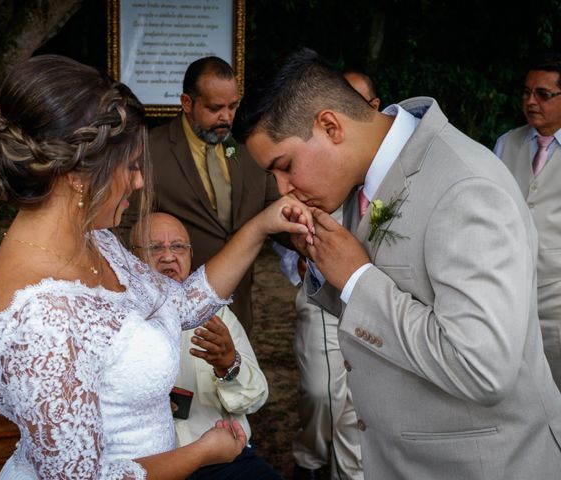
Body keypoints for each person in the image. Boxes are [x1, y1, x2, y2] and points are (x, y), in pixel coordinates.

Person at [0, 54, 312, 480]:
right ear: (78, 173)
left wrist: (261, 225)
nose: (138, 181)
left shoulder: (97, 243)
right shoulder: (40, 316)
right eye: (131, 166)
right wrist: (201, 453)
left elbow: (182, 304)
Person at [232, 47, 561, 479]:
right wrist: (326, 268)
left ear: (330, 125)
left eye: (285, 166)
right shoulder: (366, 177)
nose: (284, 189)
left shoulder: (466, 187)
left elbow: (482, 369)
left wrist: (356, 278)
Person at [131, 212, 282, 480]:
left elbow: (255, 398)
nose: (168, 256)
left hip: (224, 461)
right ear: (130, 259)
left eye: (178, 246)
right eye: (155, 247)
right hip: (152, 466)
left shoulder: (215, 315)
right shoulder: (115, 320)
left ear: (190, 255)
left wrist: (229, 365)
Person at [284, 69, 380, 480]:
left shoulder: (390, 173)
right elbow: (285, 224)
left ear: (374, 109)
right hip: (320, 297)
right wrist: (298, 260)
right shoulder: (313, 159)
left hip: (374, 305)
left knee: (358, 407)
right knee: (320, 393)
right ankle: (309, 460)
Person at [146, 56, 282, 333]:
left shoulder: (250, 146)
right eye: (215, 108)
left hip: (239, 304)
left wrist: (306, 247)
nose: (227, 117)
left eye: (233, 106)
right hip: (174, 312)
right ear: (187, 103)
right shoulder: (150, 151)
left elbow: (272, 207)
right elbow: (129, 230)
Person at [493, 53, 561, 389]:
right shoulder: (507, 143)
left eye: (543, 94)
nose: (531, 101)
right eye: (526, 92)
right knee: (519, 388)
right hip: (510, 292)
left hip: (558, 297)